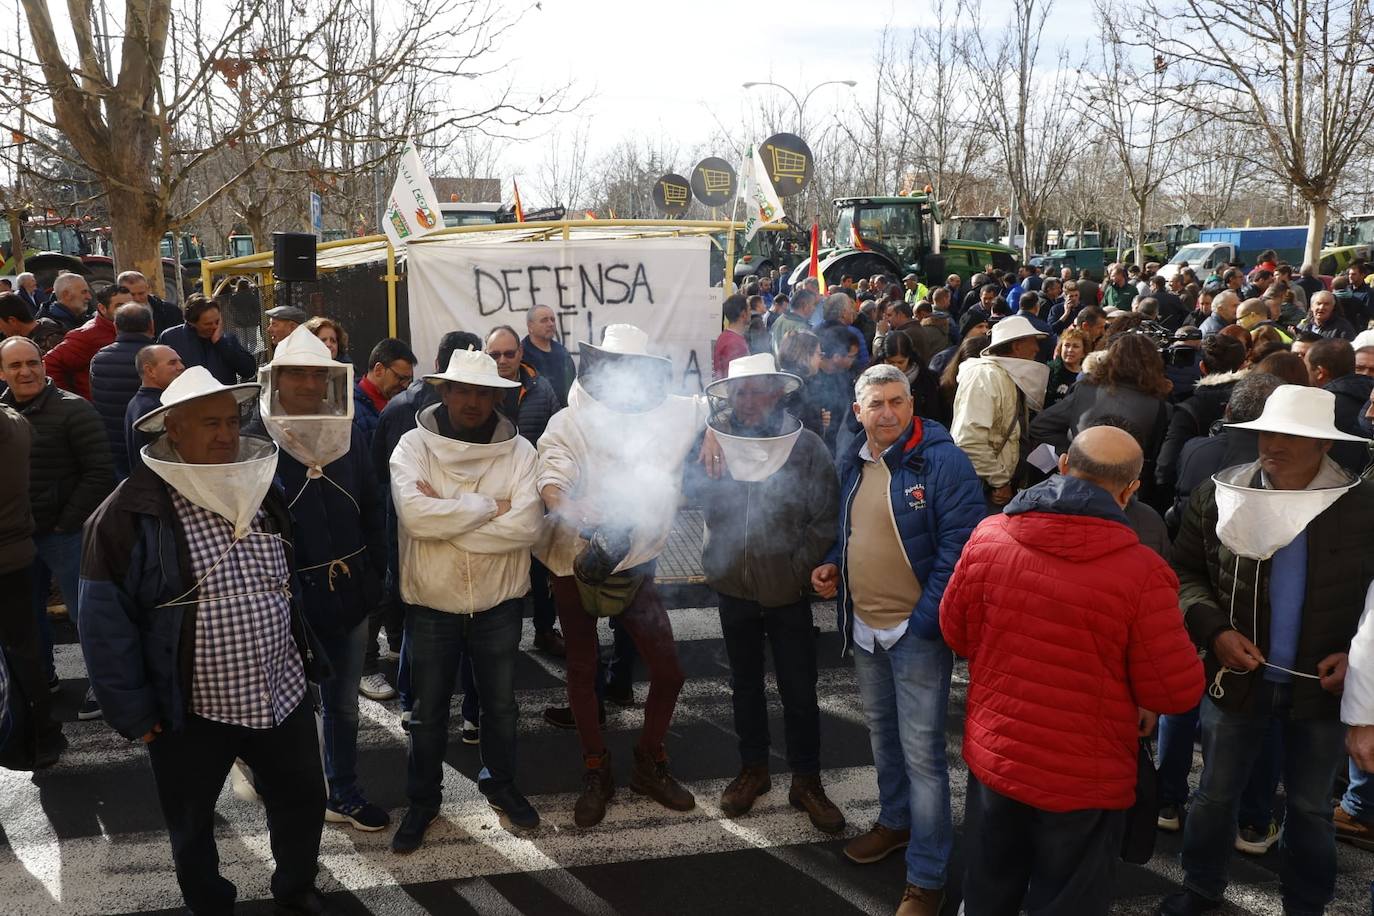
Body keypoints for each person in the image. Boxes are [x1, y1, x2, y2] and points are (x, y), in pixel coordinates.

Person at [79, 366, 330, 915]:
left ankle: (296, 885)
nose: (224, 434)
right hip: (190, 709)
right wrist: (134, 711)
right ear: (173, 428)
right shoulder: (126, 513)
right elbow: (103, 623)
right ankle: (209, 903)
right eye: (208, 423)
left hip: (278, 691)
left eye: (230, 421)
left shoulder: (263, 487)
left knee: (304, 798)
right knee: (191, 820)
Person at [943, 426, 1203, 915]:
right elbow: (1176, 689)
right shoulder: (1141, 571)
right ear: (1130, 489)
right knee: (1067, 900)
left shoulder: (990, 535)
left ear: (1063, 465)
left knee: (988, 886)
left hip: (999, 754)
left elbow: (956, 633)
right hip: (1084, 776)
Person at [1160, 384, 1374, 916]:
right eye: (1267, 431)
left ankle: (1307, 904)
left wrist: (1357, 658)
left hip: (1324, 691)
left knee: (1310, 809)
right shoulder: (1221, 493)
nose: (1272, 443)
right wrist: (1214, 631)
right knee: (1213, 794)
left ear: (1324, 444)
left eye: (1290, 435)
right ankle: (1200, 888)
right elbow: (1184, 572)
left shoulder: (1361, 505)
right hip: (1235, 678)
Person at [809, 363, 984, 916]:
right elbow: (854, 529)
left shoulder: (943, 462)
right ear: (857, 413)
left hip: (914, 633)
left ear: (913, 406)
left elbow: (962, 547)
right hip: (865, 627)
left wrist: (924, 622)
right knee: (884, 738)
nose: (887, 413)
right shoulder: (855, 459)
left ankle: (927, 876)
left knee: (923, 756)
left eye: (897, 402)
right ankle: (895, 822)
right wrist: (835, 565)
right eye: (875, 404)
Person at [536, 324, 708, 828]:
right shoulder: (569, 421)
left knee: (669, 672)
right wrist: (567, 504)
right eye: (613, 366)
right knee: (583, 670)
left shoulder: (671, 413)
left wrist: (716, 431)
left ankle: (649, 763)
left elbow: (712, 405)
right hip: (573, 562)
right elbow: (551, 472)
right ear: (595, 367)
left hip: (638, 564)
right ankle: (596, 768)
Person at [388, 347, 545, 850]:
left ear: (498, 396)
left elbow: (525, 528)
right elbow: (414, 518)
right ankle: (423, 801)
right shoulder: (412, 447)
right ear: (444, 391)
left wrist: (449, 515)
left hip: (499, 604)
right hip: (431, 603)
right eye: (465, 390)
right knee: (426, 713)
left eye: (485, 392)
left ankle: (501, 785)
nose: (474, 401)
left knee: (500, 708)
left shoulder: (522, 453)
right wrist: (486, 508)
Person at [687, 353, 843, 833]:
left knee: (800, 689)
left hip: (788, 590)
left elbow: (823, 517)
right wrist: (706, 443)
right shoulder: (712, 439)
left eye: (757, 390)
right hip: (733, 585)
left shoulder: (807, 446)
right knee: (746, 685)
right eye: (740, 392)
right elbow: (694, 496)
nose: (748, 401)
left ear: (777, 392)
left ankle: (806, 779)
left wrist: (797, 571)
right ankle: (753, 770)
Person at [255, 327, 389, 834]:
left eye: (318, 373)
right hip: (288, 601)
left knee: (343, 706)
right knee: (285, 711)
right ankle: (296, 803)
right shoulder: (257, 439)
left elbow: (373, 505)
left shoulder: (349, 431)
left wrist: (376, 572)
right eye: (297, 373)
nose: (309, 383)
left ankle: (345, 791)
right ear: (277, 378)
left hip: (351, 590)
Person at [367, 331, 482, 705]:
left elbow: (379, 472)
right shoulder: (474, 415)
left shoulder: (396, 406)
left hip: (400, 521)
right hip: (442, 532)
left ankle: (407, 688)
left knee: (406, 598)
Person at [0, 336, 112, 718]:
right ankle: (41, 681)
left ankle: (104, 688)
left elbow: (99, 472)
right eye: (15, 365)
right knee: (26, 617)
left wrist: (67, 522)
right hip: (19, 538)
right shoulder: (2, 414)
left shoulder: (74, 410)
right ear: (2, 372)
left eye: (32, 362)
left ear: (44, 365)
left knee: (88, 616)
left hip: (66, 534)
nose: (25, 371)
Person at [486, 324, 565, 655]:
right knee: (499, 566)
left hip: (535, 493)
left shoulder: (541, 388)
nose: (502, 360)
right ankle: (499, 640)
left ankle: (545, 630)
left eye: (508, 353)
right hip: (494, 497)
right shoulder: (478, 390)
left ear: (520, 353)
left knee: (540, 566)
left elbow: (558, 435)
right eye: (495, 354)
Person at [1031, 333, 1173, 510]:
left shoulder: (1085, 389)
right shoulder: (1160, 407)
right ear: (1154, 363)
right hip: (1125, 493)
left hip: (1077, 484)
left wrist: (1076, 451)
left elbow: (1040, 426)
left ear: (1110, 358)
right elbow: (1158, 459)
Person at [0, 398, 65, 767]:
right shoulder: (15, 426)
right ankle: (44, 734)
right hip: (19, 556)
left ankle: (21, 738)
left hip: (10, 555)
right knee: (23, 650)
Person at [951, 316, 1048, 511]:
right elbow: (969, 440)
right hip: (986, 490)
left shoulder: (1005, 376)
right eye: (1032, 341)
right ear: (1017, 346)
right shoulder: (985, 376)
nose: (1037, 348)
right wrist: (1000, 481)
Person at [1155, 333, 1248, 502]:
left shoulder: (1189, 408)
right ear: (1244, 366)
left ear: (1202, 367)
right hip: (1245, 495)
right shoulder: (1259, 401)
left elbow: (1166, 466)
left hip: (1194, 499)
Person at [88, 303, 155, 480]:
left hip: (112, 444)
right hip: (149, 443)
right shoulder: (161, 359)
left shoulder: (99, 359)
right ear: (151, 326)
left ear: (116, 327)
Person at [41, 283, 128, 399]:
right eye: (120, 306)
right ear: (102, 308)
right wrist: (70, 400)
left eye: (130, 305)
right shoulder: (86, 335)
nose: (127, 310)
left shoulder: (133, 328)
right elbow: (49, 364)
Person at [1304, 337, 1373, 474]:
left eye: (1305, 367)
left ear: (1320, 372)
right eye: (1361, 367)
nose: (1369, 414)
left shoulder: (1318, 408)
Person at [160, 295, 258, 385]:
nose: (215, 327)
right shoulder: (170, 338)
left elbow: (248, 370)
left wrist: (221, 343)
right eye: (208, 324)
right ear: (192, 323)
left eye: (217, 322)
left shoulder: (228, 340)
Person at [124, 345, 185, 474]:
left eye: (180, 361)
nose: (181, 367)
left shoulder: (138, 402)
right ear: (150, 370)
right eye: (172, 363)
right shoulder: (155, 409)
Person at [352, 337, 418, 444]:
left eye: (409, 380)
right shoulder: (351, 410)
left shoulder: (400, 406)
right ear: (378, 370)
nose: (405, 385)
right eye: (401, 378)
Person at [522, 304, 577, 406]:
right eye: (544, 320)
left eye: (553, 320)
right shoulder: (521, 354)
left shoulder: (562, 353)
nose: (551, 324)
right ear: (530, 326)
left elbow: (573, 386)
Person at [117, 269, 183, 335]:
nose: (137, 298)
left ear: (148, 289)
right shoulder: (112, 313)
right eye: (132, 294)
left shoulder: (169, 311)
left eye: (141, 293)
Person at [1043, 326, 1086, 409]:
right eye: (1067, 345)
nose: (1070, 350)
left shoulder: (1087, 376)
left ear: (1083, 352)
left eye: (1076, 346)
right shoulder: (1049, 371)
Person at [713, 294, 752, 380]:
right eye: (749, 309)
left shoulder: (725, 337)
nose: (751, 313)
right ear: (743, 314)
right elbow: (738, 381)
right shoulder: (734, 343)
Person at [770, 288, 819, 352]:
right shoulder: (802, 329)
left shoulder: (779, 320)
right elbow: (803, 357)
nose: (814, 308)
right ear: (804, 305)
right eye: (813, 304)